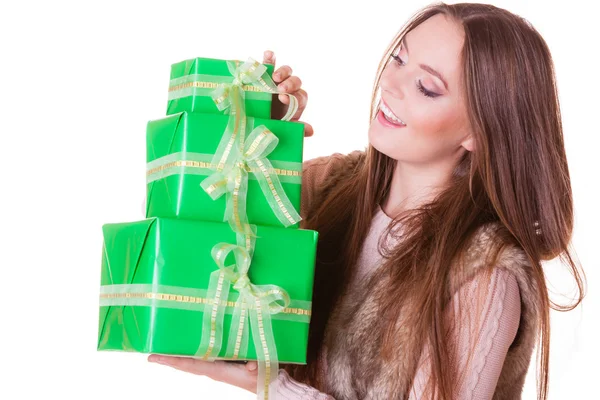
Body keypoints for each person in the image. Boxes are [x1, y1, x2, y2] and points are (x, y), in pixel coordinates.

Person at [147, 2, 585, 399]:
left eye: (426, 87)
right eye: (398, 58)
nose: (390, 84)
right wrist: (261, 135)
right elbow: (193, 220)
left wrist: (277, 389)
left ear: (479, 131)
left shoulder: (485, 274)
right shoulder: (331, 185)